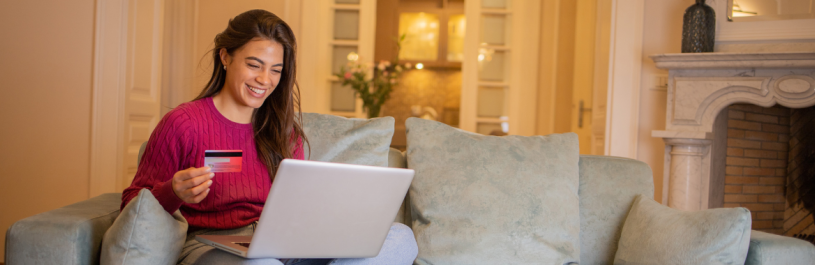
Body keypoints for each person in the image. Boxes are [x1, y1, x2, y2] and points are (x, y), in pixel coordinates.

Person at [122, 9, 418, 265]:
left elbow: (297, 207)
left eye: (276, 70)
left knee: (400, 238)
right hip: (213, 248)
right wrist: (173, 191)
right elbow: (131, 203)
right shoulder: (184, 123)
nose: (265, 80)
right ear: (225, 56)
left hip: (283, 245)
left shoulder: (284, 131)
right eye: (254, 65)